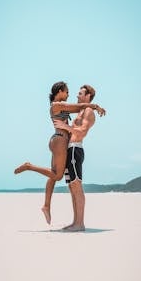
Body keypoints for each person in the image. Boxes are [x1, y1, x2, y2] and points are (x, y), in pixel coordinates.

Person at [14, 81, 105, 224]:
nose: (69, 94)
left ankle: (46, 206)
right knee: (57, 175)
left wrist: (91, 106)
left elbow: (78, 108)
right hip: (61, 140)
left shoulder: (62, 107)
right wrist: (94, 105)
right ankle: (29, 166)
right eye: (67, 91)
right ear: (60, 91)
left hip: (58, 141)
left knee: (52, 174)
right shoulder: (56, 105)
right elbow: (79, 106)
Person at [53, 84, 101, 231]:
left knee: (77, 186)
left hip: (76, 149)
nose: (77, 96)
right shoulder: (81, 110)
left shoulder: (88, 112)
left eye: (80, 94)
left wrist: (65, 126)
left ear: (88, 96)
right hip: (70, 150)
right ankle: (76, 222)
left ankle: (80, 223)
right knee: (72, 188)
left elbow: (81, 132)